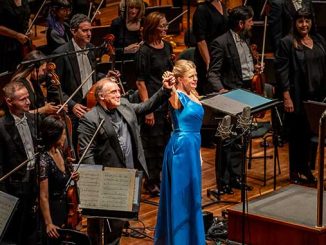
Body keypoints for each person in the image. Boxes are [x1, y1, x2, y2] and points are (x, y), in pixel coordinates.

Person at [77, 75, 173, 245]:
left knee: (117, 226)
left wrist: (164, 90)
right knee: (100, 227)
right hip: (107, 180)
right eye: (113, 92)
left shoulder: (125, 106)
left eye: (118, 90)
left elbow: (146, 106)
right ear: (101, 97)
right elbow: (86, 154)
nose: (118, 94)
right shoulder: (90, 119)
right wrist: (96, 183)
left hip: (129, 176)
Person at [207, 5, 259, 193]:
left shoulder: (246, 39)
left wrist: (254, 69)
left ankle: (237, 177)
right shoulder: (220, 42)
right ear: (240, 23)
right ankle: (224, 182)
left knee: (242, 138)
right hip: (230, 97)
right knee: (225, 140)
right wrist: (221, 90)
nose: (252, 24)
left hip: (246, 95)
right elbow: (212, 73)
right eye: (250, 21)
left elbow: (245, 65)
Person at [155, 60, 205, 245]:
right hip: (181, 149)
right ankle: (179, 240)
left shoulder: (193, 94)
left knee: (193, 195)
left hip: (192, 147)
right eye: (191, 76)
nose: (195, 79)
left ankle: (192, 238)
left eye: (196, 75)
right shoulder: (176, 96)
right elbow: (172, 97)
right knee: (180, 195)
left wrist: (198, 152)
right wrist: (169, 86)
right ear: (180, 79)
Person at [274, 8, 324, 184]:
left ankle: (307, 170)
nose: (304, 24)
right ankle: (296, 172)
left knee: (313, 136)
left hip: (317, 98)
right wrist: (286, 97)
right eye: (300, 21)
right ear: (295, 23)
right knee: (298, 136)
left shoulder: (318, 40)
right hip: (297, 98)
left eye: (307, 20)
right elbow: (282, 72)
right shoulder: (287, 42)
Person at [136, 11, 174, 196]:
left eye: (166, 25)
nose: (166, 28)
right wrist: (148, 109)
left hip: (166, 100)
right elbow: (140, 82)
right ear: (152, 28)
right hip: (152, 100)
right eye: (163, 26)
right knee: (152, 143)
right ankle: (150, 181)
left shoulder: (167, 46)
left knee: (166, 140)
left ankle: (162, 177)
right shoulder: (144, 51)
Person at [53, 13, 98, 151]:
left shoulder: (91, 48)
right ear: (73, 31)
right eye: (85, 30)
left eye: (90, 30)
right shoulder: (61, 53)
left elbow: (91, 75)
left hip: (91, 105)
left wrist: (105, 76)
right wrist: (71, 104)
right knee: (77, 148)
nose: (89, 33)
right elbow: (54, 88)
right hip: (74, 111)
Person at [0, 81, 38, 244]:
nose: (28, 102)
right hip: (13, 185)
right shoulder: (1, 126)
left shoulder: (32, 118)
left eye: (28, 98)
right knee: (15, 231)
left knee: (32, 227)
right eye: (22, 99)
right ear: (9, 102)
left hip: (33, 180)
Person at [39, 115, 79, 245]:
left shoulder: (60, 152)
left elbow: (62, 178)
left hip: (64, 207)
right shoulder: (44, 160)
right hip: (53, 209)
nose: (65, 137)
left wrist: (71, 176)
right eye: (63, 134)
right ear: (54, 136)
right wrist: (49, 223)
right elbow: (43, 196)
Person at [192, 0, 228, 95]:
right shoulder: (202, 9)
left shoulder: (222, 5)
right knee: (208, 91)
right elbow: (200, 40)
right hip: (207, 55)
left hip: (220, 54)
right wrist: (208, 62)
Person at [10, 50, 60, 115]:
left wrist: (53, 108)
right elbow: (20, 113)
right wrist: (44, 109)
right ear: (34, 68)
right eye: (43, 70)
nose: (44, 73)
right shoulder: (18, 84)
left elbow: (39, 105)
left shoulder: (33, 81)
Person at [0, 0, 31, 73]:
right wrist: (16, 35)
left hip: (23, 42)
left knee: (23, 71)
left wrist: (29, 28)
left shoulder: (24, 1)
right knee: (9, 75)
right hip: (6, 45)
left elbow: (28, 16)